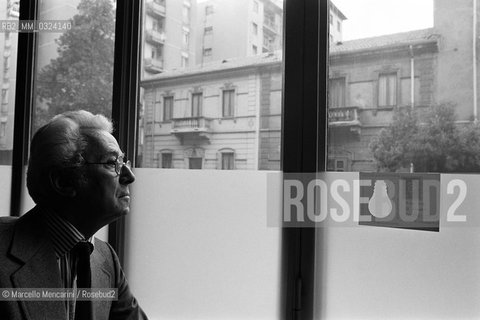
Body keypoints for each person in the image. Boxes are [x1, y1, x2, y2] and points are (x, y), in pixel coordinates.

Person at [0, 110, 148, 320]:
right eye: (111, 163)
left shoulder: (105, 259)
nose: (129, 176)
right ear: (63, 182)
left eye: (124, 162)